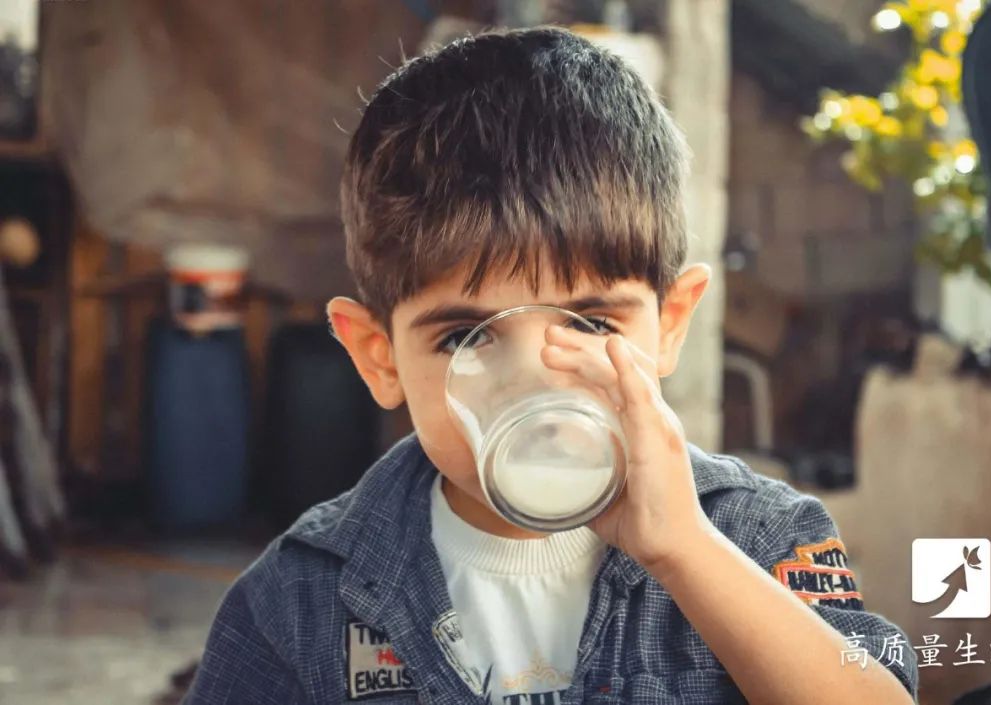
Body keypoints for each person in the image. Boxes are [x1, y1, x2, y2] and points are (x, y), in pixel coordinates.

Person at [183, 26, 918, 705]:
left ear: (669, 324)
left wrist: (687, 550)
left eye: (590, 323)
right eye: (466, 335)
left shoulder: (760, 539)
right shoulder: (301, 599)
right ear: (381, 358)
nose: (536, 376)